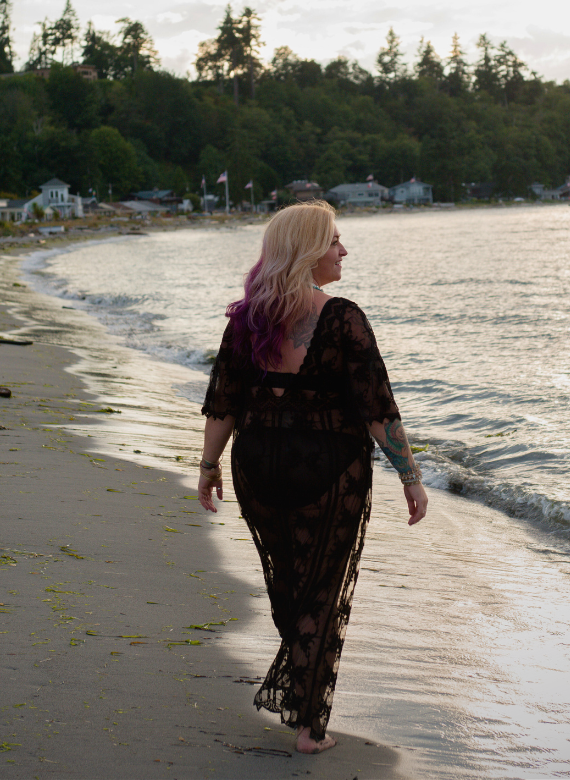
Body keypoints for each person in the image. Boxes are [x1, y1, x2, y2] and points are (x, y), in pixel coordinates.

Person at [198, 200, 428, 755]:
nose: (343, 250)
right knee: (320, 593)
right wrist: (410, 476)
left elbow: (224, 402)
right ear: (306, 251)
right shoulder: (343, 317)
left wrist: (207, 466)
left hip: (257, 465)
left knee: (289, 587)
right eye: (333, 241)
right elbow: (378, 409)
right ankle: (309, 727)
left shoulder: (247, 321)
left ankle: (300, 691)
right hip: (330, 468)